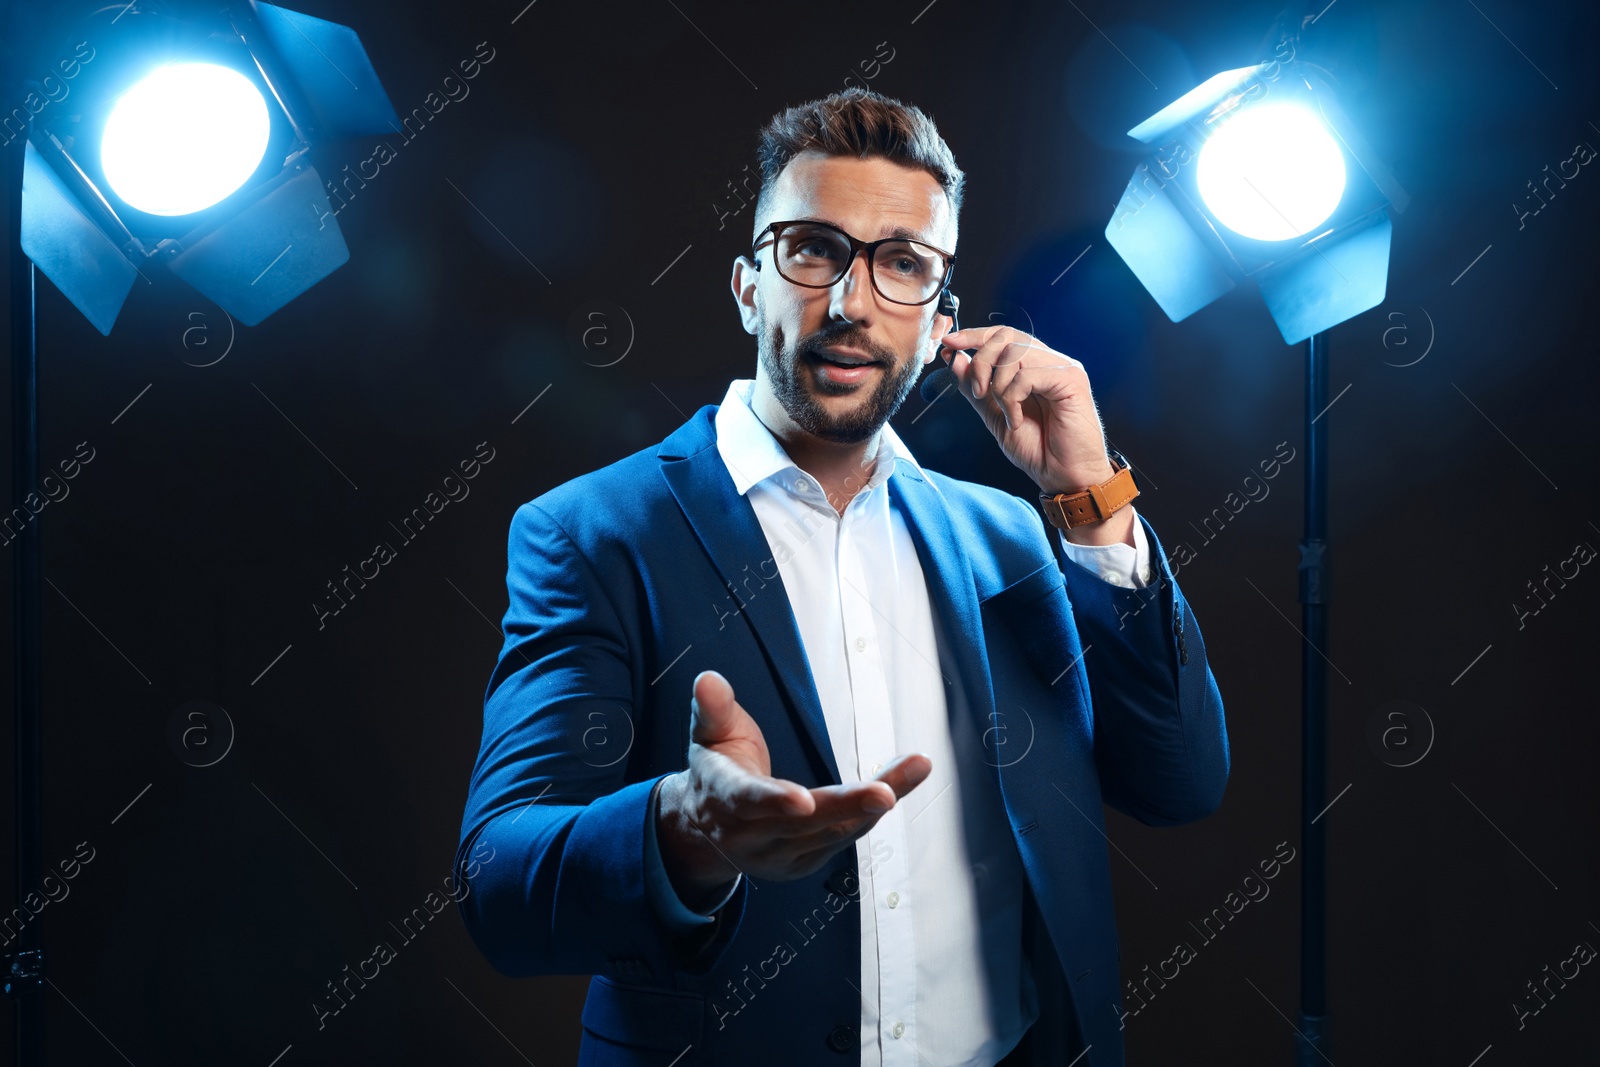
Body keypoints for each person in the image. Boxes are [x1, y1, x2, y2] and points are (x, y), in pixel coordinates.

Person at [455, 87, 1229, 1067]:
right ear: (747, 284)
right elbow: (497, 886)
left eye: (902, 264)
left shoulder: (1012, 536)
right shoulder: (595, 531)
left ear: (941, 317)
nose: (851, 302)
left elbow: (1180, 780)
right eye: (813, 249)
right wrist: (682, 831)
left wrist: (1089, 492)